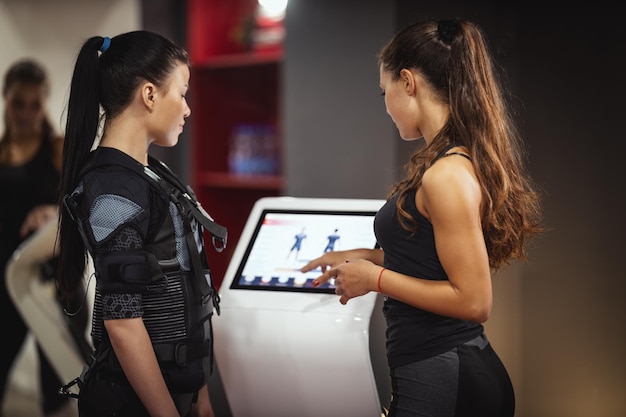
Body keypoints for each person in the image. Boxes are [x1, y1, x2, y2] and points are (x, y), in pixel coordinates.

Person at [300, 18, 543, 417]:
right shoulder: (445, 162)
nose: (385, 103)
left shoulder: (446, 175)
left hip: (445, 375)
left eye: (385, 90)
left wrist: (374, 279)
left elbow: (475, 301)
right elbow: (429, 261)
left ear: (408, 82)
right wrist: (365, 257)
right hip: (444, 372)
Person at [56, 31, 227, 417]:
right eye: (182, 93)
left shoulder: (152, 174)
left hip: (178, 392)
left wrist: (200, 399)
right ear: (149, 94)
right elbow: (123, 322)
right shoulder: (113, 189)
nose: (187, 109)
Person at [0, 58, 87, 417]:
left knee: (59, 380)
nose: (26, 113)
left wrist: (54, 212)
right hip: (8, 277)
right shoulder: (1, 153)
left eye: (35, 104)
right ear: (6, 99)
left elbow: (85, 201)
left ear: (44, 102)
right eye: (18, 103)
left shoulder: (58, 148)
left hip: (55, 277)